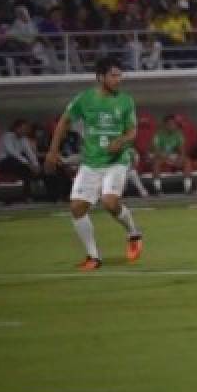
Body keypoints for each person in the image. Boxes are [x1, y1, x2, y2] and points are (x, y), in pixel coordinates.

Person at [43, 57, 144, 270]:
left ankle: (133, 233)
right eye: (114, 75)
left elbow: (133, 131)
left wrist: (122, 141)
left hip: (116, 161)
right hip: (90, 162)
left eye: (120, 75)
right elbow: (64, 122)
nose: (119, 79)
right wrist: (53, 150)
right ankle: (93, 257)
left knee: (109, 202)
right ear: (100, 77)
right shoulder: (84, 99)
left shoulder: (126, 101)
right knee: (77, 207)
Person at [149, 114, 193, 193]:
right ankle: (157, 189)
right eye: (170, 124)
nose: (172, 126)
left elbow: (182, 149)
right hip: (160, 155)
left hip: (172, 155)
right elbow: (156, 150)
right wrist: (168, 159)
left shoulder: (178, 133)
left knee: (187, 161)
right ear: (165, 125)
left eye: (173, 124)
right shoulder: (158, 134)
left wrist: (180, 158)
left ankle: (188, 188)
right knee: (156, 163)